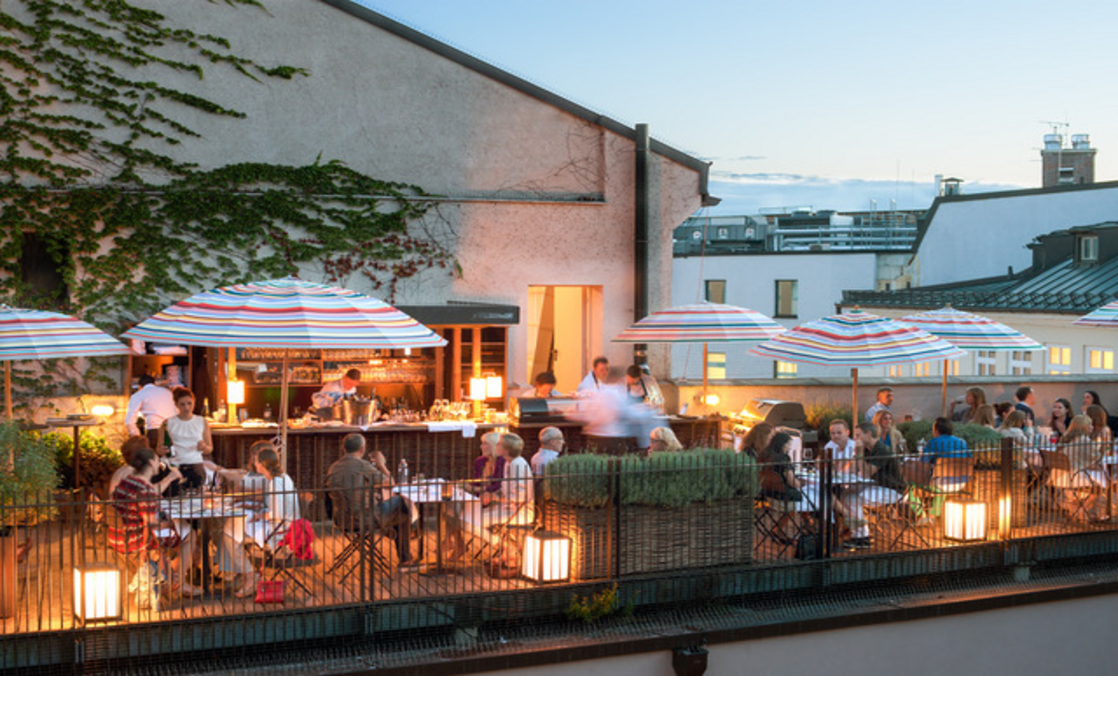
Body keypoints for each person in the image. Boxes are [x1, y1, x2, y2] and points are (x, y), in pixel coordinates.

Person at [109, 447, 201, 598]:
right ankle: (177, 582)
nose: (160, 463)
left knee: (182, 529)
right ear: (151, 463)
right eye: (158, 460)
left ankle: (172, 580)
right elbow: (152, 523)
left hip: (118, 533)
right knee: (189, 534)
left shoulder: (129, 478)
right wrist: (171, 522)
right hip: (135, 538)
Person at [326, 433, 415, 569]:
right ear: (362, 449)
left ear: (343, 448)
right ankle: (405, 557)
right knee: (403, 504)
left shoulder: (334, 467)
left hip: (342, 519)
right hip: (365, 518)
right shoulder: (362, 465)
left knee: (399, 511)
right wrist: (381, 464)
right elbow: (390, 483)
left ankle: (393, 531)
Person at [241, 446, 301, 595]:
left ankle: (247, 575)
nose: (254, 464)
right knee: (241, 522)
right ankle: (242, 572)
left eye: (256, 461)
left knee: (234, 533)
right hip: (289, 524)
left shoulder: (275, 483)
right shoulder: (284, 477)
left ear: (262, 464)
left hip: (280, 530)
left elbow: (276, 515)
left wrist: (259, 516)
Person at [844, 423, 905, 549]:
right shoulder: (867, 448)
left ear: (868, 434)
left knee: (854, 498)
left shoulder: (881, 449)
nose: (855, 439)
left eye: (858, 435)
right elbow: (852, 470)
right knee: (847, 495)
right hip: (877, 486)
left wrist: (859, 454)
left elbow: (866, 474)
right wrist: (856, 454)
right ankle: (859, 535)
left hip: (892, 489)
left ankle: (861, 537)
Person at [156, 387, 212, 491]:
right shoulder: (167, 423)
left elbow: (209, 448)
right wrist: (163, 450)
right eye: (182, 404)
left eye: (189, 403)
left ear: (194, 402)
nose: (186, 407)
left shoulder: (202, 422)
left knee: (195, 501)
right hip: (175, 466)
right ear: (176, 405)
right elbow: (159, 448)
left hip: (195, 465)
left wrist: (203, 447)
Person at [902, 417, 971, 486]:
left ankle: (909, 489)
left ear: (936, 430)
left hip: (941, 482)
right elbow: (969, 460)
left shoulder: (932, 443)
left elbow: (922, 464)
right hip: (962, 481)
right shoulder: (962, 442)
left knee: (909, 466)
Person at [124, 374, 176, 447]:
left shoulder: (139, 394)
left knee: (153, 457)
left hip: (155, 432)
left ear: (139, 386)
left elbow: (129, 421)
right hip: (173, 431)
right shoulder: (167, 392)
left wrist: (138, 437)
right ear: (154, 383)